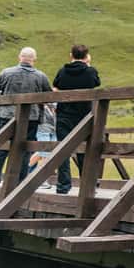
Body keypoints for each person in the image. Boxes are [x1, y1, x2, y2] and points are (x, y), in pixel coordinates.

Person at [0, 47, 52, 186]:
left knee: (2, 147)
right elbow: (49, 95)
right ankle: (20, 181)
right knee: (25, 149)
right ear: (34, 59)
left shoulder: (7, 72)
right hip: (31, 117)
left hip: (6, 115)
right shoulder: (41, 76)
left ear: (19, 57)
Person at [52, 44, 101, 195]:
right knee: (85, 151)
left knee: (63, 150)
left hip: (64, 115)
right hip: (84, 116)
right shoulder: (90, 71)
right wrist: (88, 65)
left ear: (71, 55)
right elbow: (96, 83)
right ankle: (87, 186)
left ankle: (63, 185)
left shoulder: (62, 71)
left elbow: (56, 86)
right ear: (86, 56)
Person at [27, 102, 56, 190]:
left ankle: (24, 171)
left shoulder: (52, 104)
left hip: (53, 128)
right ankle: (40, 180)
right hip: (43, 128)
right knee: (44, 154)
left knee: (45, 153)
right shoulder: (42, 102)